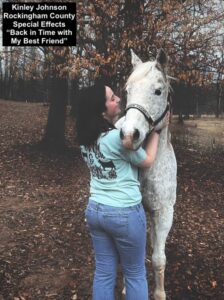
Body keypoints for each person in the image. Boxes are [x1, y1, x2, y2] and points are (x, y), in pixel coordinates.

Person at [75, 83, 169, 300]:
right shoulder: (116, 139)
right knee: (135, 273)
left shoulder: (85, 140)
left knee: (104, 273)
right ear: (101, 110)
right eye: (111, 98)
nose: (118, 99)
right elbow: (147, 161)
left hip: (95, 212)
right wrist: (157, 130)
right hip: (124, 214)